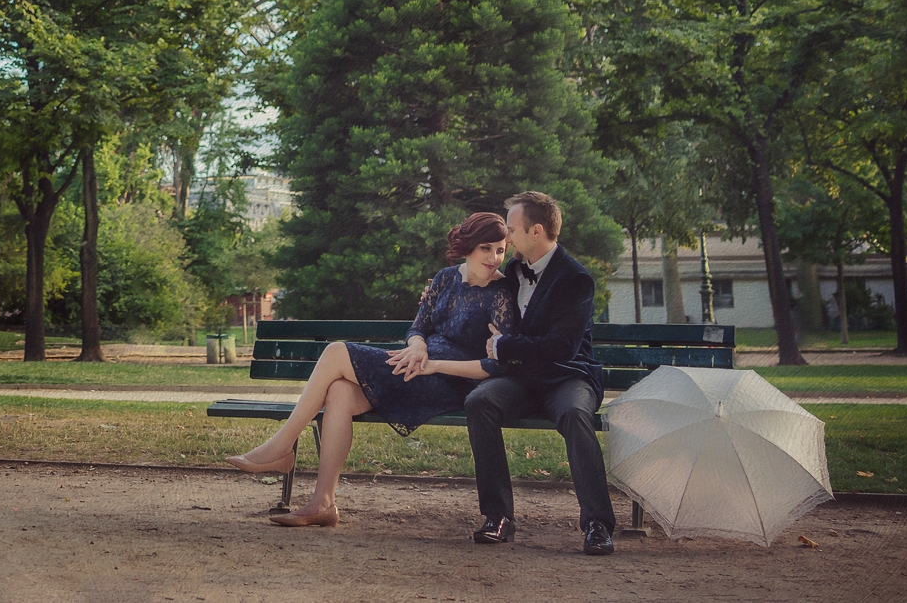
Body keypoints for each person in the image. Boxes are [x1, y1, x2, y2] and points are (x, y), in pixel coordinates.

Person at [225, 212, 513, 527]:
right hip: (413, 366)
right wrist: (417, 346)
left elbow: (495, 364)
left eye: (500, 249)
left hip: (449, 382)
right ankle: (323, 503)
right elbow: (418, 328)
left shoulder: (501, 293)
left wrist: (433, 363)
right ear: (468, 246)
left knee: (336, 351)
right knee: (339, 392)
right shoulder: (445, 278)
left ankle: (281, 446)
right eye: (487, 248)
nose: (494, 258)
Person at [466, 190, 615, 556]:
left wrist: (504, 347)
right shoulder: (515, 271)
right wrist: (436, 292)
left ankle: (597, 524)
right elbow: (473, 287)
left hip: (567, 375)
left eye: (512, 230)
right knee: (479, 401)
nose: (507, 238)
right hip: (523, 379)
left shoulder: (576, 279)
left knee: (575, 414)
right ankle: (498, 517)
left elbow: (560, 347)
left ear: (535, 231)